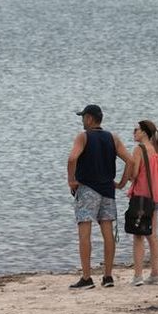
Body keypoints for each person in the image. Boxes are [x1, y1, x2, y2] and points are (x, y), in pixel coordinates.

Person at [66, 104, 132, 289]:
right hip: (107, 191)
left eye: (83, 117)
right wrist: (121, 183)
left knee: (84, 234)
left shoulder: (83, 136)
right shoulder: (113, 138)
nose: (82, 121)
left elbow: (72, 159)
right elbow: (130, 160)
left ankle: (87, 278)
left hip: (87, 189)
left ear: (89, 118)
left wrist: (71, 181)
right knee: (108, 233)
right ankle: (108, 276)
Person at [117, 119, 158, 286]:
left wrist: (125, 178)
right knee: (152, 236)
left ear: (144, 132)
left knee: (138, 236)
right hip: (155, 198)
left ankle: (138, 276)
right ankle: (155, 274)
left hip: (140, 197)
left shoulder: (139, 150)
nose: (134, 133)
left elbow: (134, 173)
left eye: (136, 130)